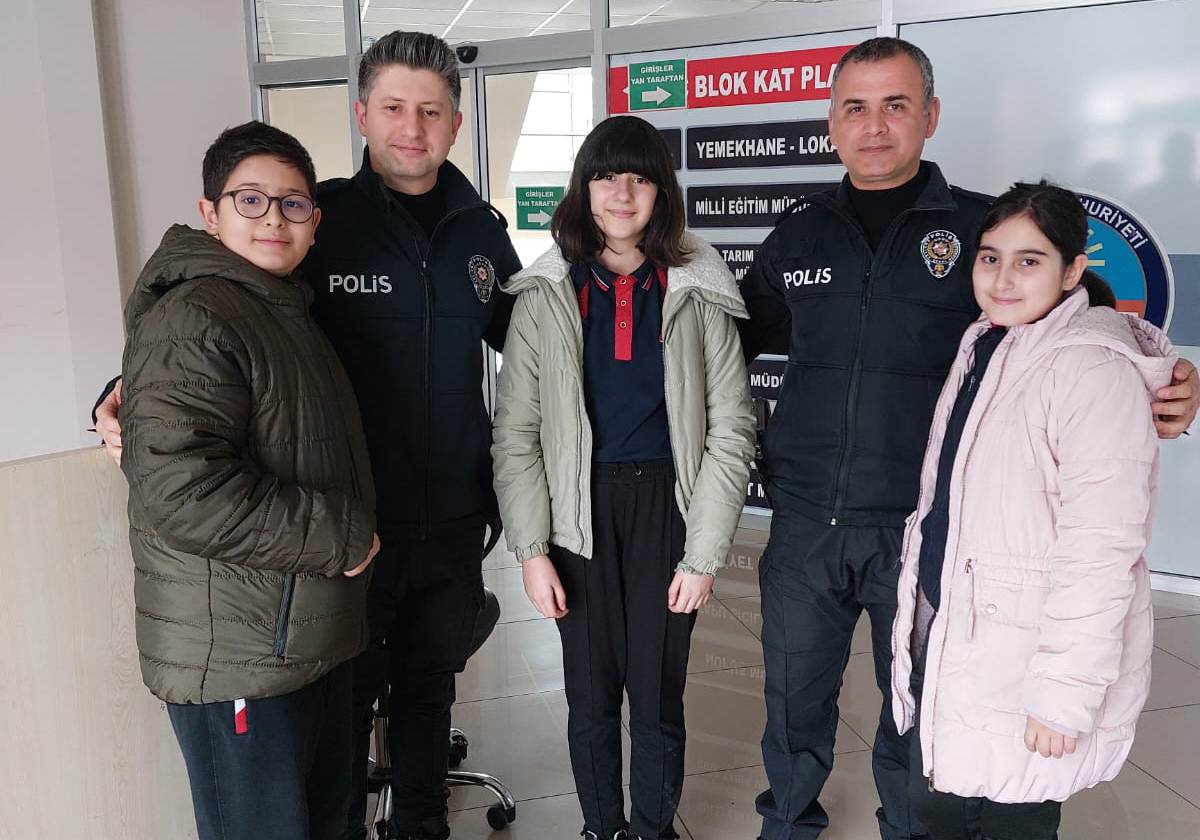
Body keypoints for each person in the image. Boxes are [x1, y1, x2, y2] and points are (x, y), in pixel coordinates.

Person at [737, 37, 1199, 840]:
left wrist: (1171, 380)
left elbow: (1087, 325)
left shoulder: (980, 231)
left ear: (931, 116)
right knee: (791, 702)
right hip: (808, 521)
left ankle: (907, 829)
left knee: (916, 714)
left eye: (896, 105)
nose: (874, 125)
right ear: (831, 123)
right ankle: (787, 825)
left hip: (928, 532)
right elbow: (732, 338)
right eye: (854, 107)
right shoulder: (799, 232)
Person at [93, 31, 520, 840]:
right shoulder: (318, 221)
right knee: (339, 714)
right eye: (393, 107)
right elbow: (215, 329)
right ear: (361, 115)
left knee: (430, 691)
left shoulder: (482, 234)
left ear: (456, 125)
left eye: (431, 111)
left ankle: (422, 827)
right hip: (343, 528)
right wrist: (117, 396)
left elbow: (533, 352)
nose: (412, 127)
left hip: (452, 519)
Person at [491, 115, 755, 840]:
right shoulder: (546, 292)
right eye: (606, 176)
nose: (622, 192)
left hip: (667, 509)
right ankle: (602, 827)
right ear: (584, 188)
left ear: (661, 192)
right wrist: (531, 550)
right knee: (591, 696)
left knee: (658, 696)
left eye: (639, 177)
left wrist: (703, 556)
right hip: (577, 514)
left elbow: (731, 429)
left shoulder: (697, 286)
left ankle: (651, 829)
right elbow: (515, 434)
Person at [118, 121, 379, 840]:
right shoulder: (196, 313)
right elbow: (183, 489)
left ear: (314, 221)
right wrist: (342, 537)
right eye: (251, 200)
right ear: (210, 213)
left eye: (292, 204)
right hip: (240, 652)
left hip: (297, 638)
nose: (273, 219)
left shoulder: (281, 307)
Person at [891, 180, 1174, 839]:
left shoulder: (1092, 370)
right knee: (940, 807)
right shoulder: (987, 344)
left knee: (1013, 816)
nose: (1003, 279)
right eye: (991, 258)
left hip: (1025, 660)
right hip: (958, 630)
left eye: (1029, 261)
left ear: (1073, 270)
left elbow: (1102, 548)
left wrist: (1063, 693)